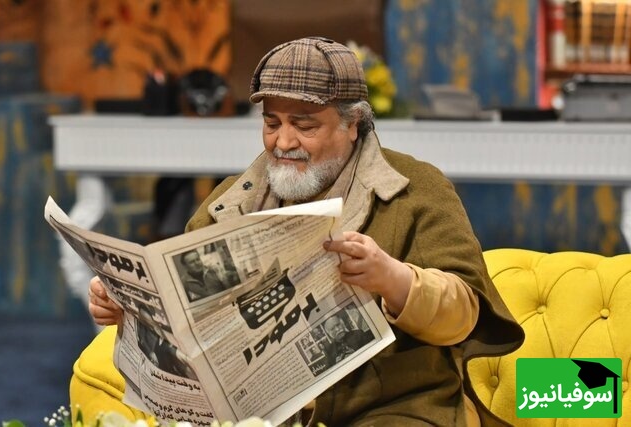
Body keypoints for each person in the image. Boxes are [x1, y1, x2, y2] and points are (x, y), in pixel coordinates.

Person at [89, 36, 524, 426]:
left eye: (305, 125)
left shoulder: (415, 188)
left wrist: (392, 278)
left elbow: (465, 318)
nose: (283, 142)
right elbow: (186, 314)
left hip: (394, 410)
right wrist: (128, 306)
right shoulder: (230, 202)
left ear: (353, 124)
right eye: (272, 123)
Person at [136, 305, 198, 380]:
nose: (146, 318)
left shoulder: (161, 326)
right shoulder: (144, 329)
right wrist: (151, 352)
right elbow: (143, 340)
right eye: (143, 316)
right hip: (160, 353)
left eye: (146, 315)